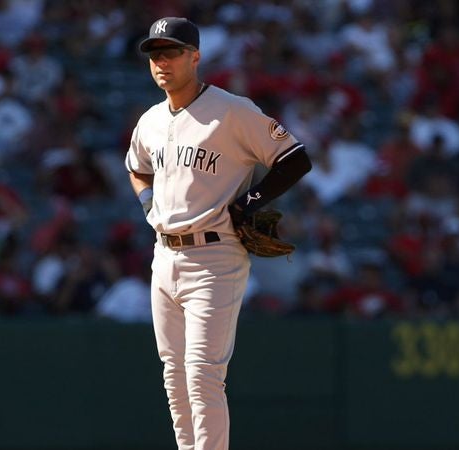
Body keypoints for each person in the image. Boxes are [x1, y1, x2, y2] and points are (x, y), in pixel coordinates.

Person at [124, 17, 312, 450]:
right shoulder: (151, 120)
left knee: (202, 373)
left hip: (215, 254)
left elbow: (295, 158)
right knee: (174, 375)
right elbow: (136, 168)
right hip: (164, 256)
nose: (162, 62)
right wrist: (147, 202)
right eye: (155, 54)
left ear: (195, 56)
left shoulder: (232, 110)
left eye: (171, 52)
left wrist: (250, 202)